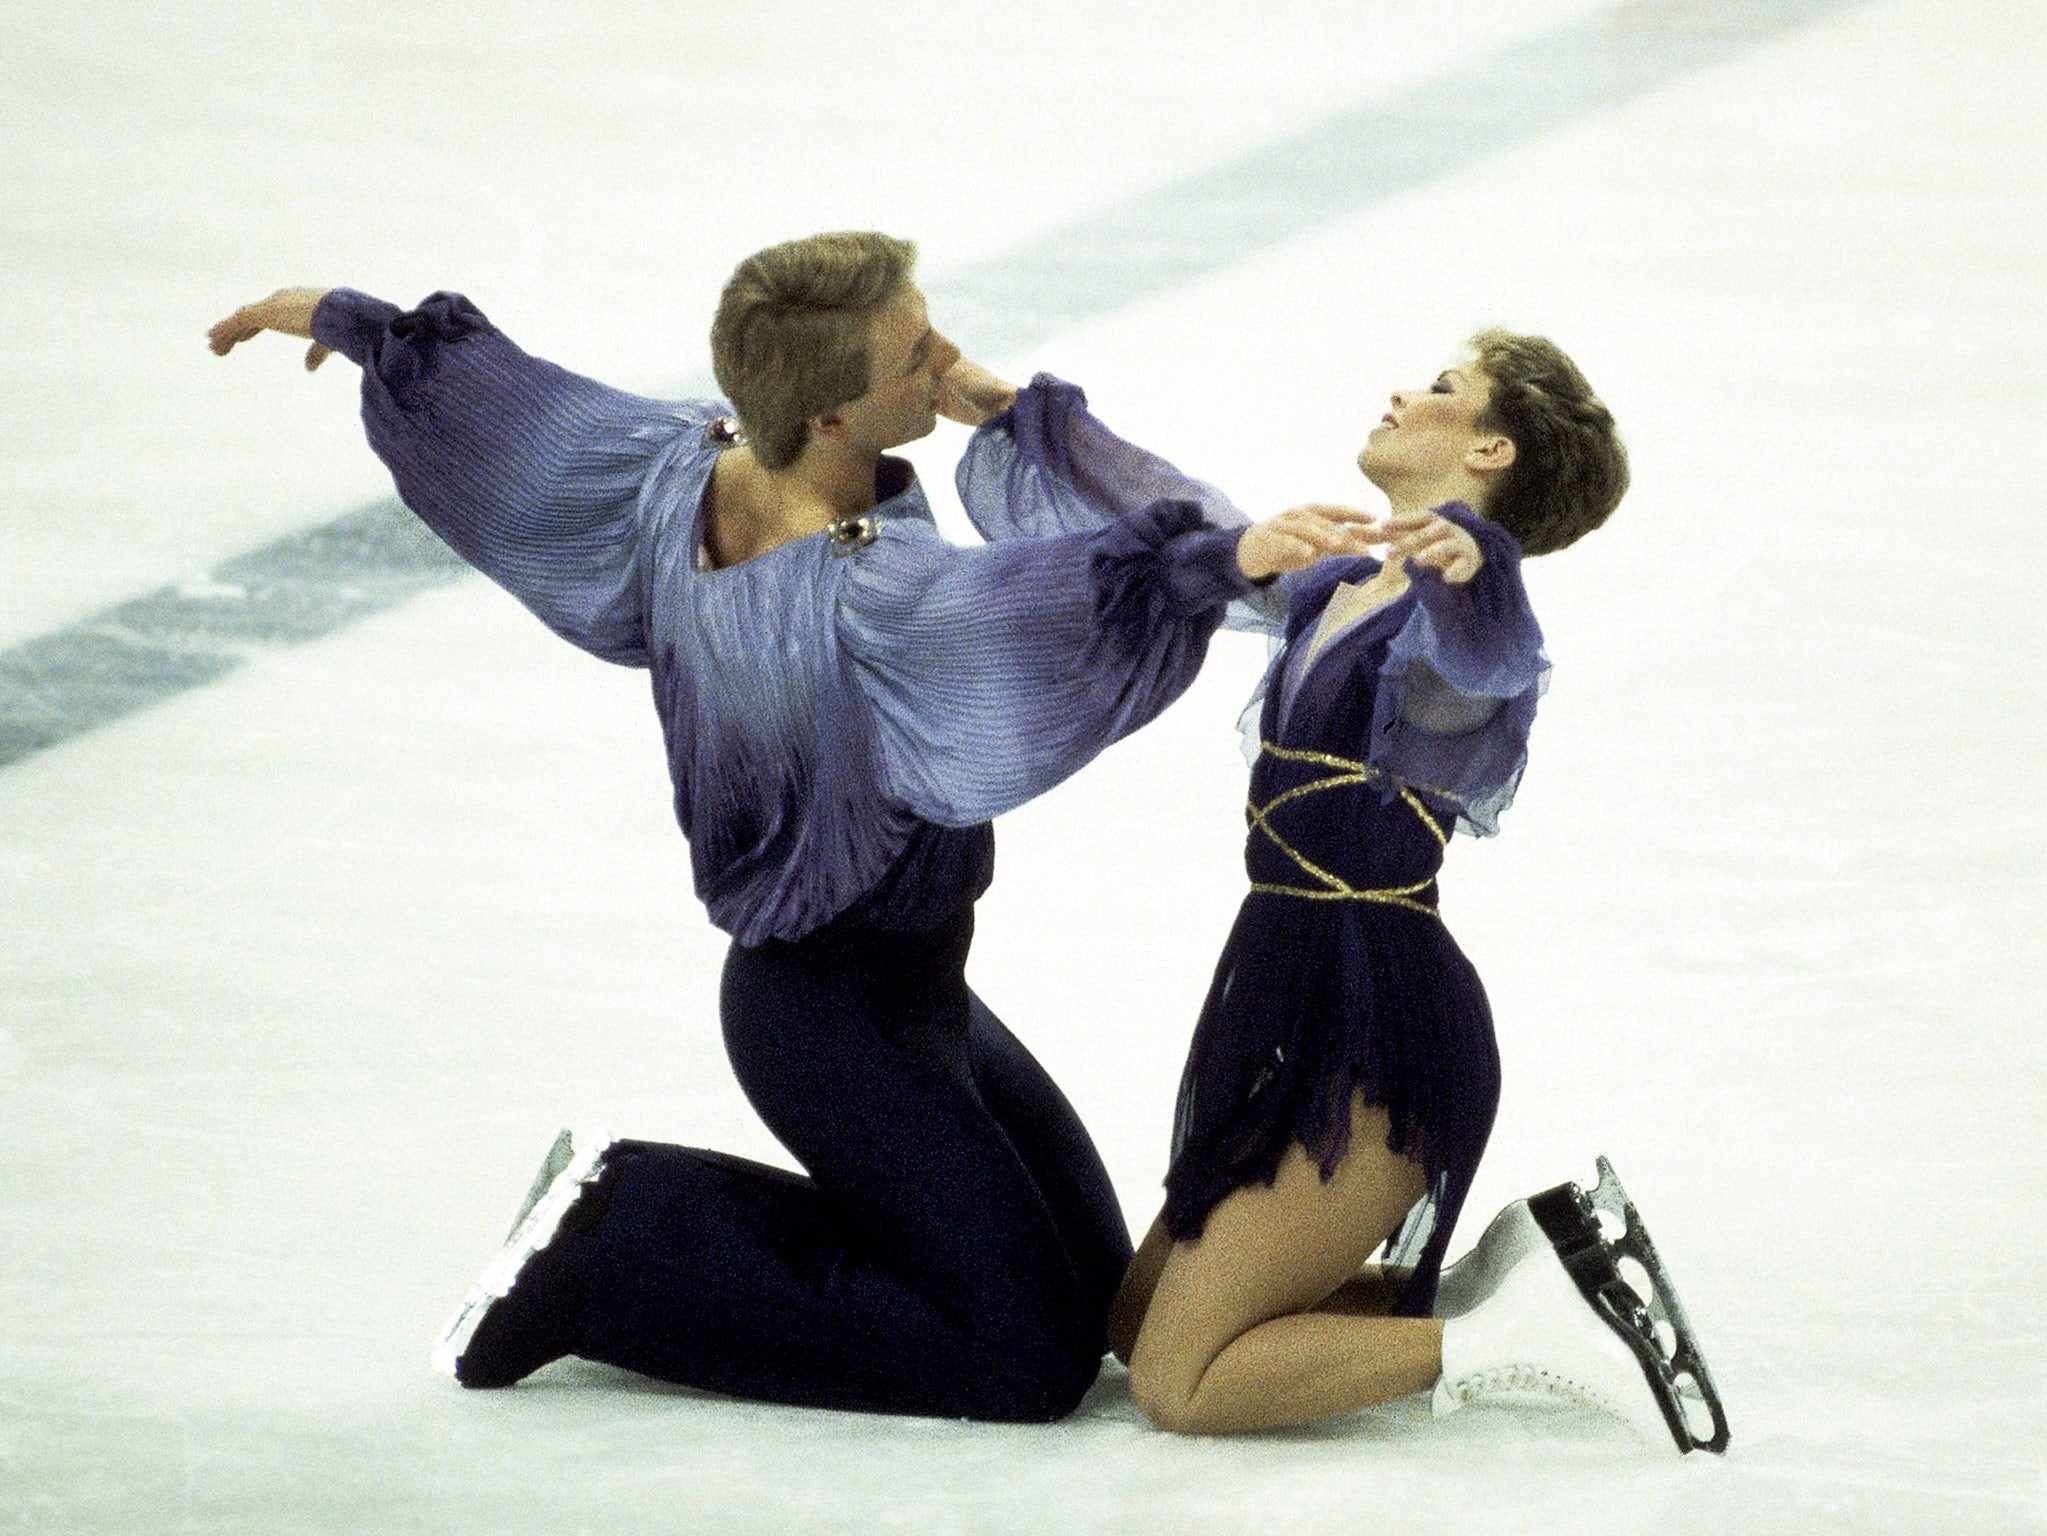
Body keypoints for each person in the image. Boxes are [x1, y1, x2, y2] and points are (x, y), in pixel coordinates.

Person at [206, 232, 1381, 1423]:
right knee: (1024, 1362)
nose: (947, 359)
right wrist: (1212, 558)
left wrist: (361, 326)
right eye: (916, 355)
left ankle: (671, 1225)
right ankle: (614, 1235)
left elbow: (518, 412)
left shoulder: (680, 466)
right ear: (828, 416)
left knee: (1088, 1306)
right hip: (826, 1018)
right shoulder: (867, 598)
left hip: (919, 998)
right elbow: (1047, 603)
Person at [1005, 328, 1717, 1449]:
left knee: (1179, 1385)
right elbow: (1188, 524)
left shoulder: (1457, 623)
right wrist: (1019, 416)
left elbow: (1492, 661)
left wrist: (1476, 572)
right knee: (1137, 1326)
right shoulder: (1345, 579)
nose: (1401, 391)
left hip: (1379, 1019)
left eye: (1441, 389)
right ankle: (1498, 1277)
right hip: (1281, 992)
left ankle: (1529, 1337)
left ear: (1489, 447)